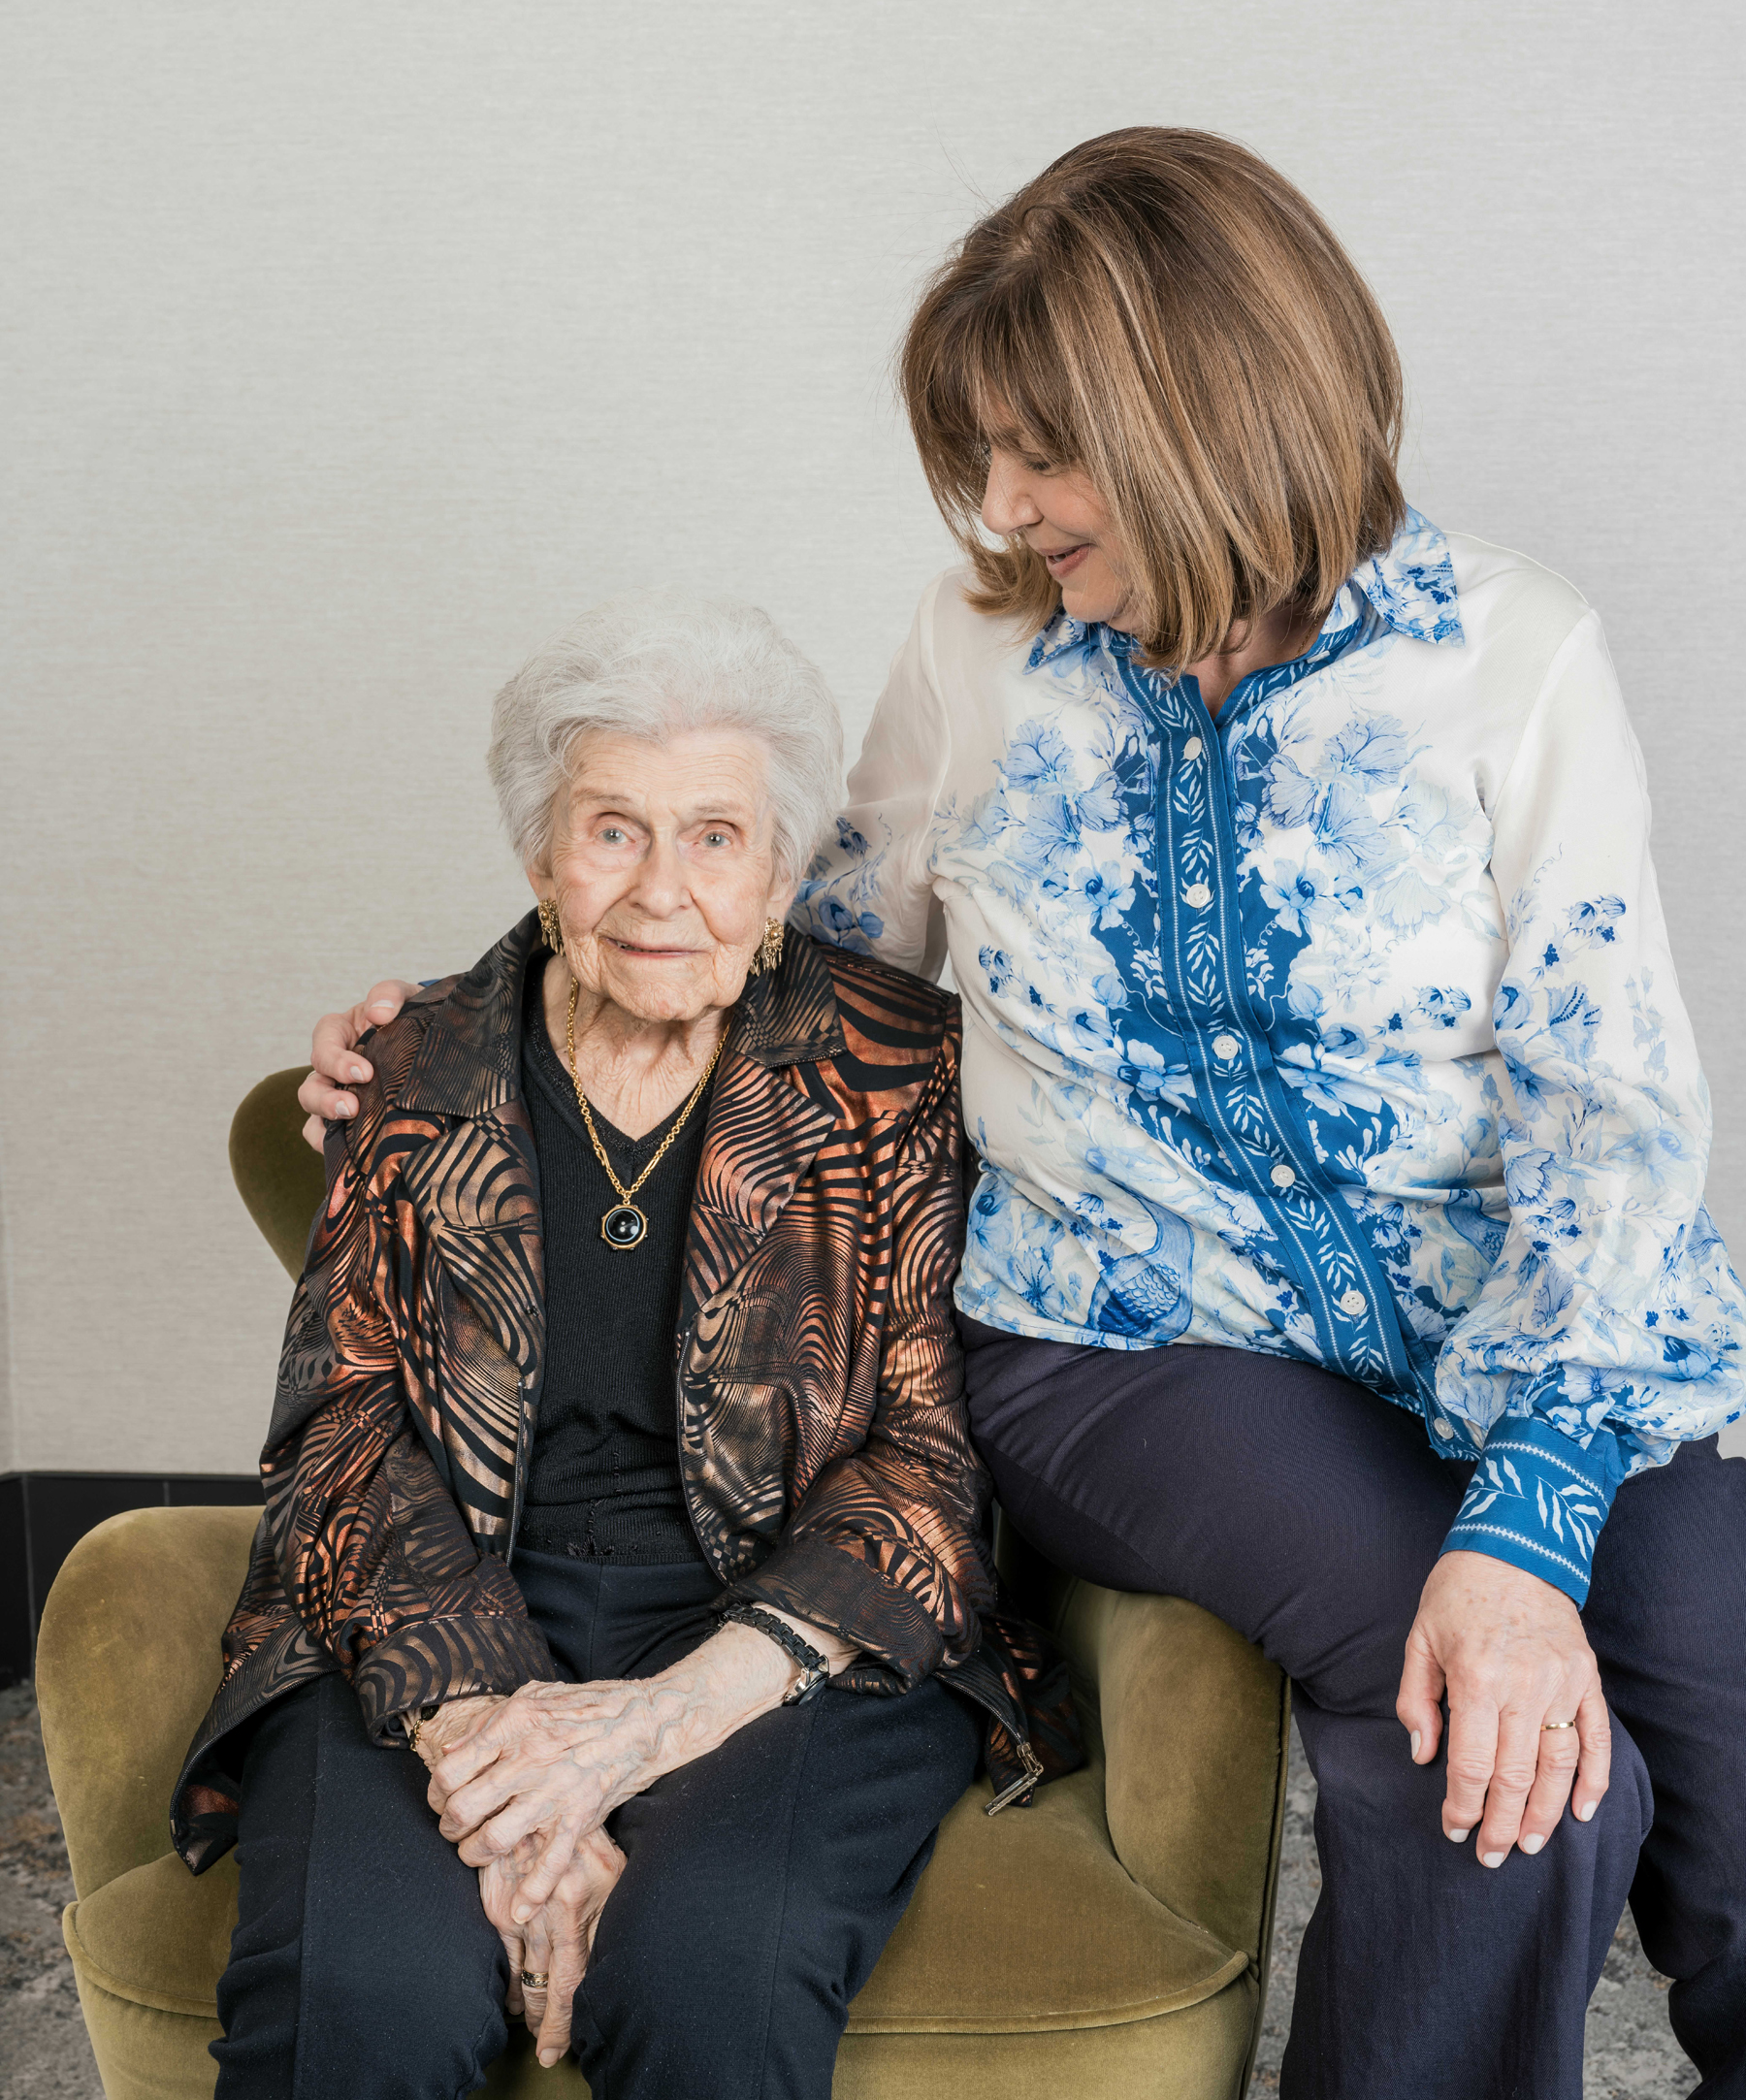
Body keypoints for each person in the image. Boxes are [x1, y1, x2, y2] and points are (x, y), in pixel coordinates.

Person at [301, 129, 1746, 2099]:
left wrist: (1535, 1516)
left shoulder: (1512, 659)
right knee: (1490, 1754)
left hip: (1537, 1333)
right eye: (977, 453)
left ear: (1203, 411)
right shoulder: (980, 654)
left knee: (1723, 1715)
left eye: (1041, 452)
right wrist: (468, 1039)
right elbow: (783, 950)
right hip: (1134, 1345)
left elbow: (1615, 1119)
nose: (1001, 504)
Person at [178, 600, 1072, 2100]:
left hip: (786, 1630)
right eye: (613, 832)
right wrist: (489, 1739)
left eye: (716, 836)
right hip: (441, 1597)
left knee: (708, 1972)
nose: (663, 889)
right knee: (363, 1991)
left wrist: (656, 1723)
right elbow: (340, 1431)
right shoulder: (413, 1067)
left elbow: (927, 1456)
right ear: (542, 856)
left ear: (780, 870)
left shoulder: (902, 1072)